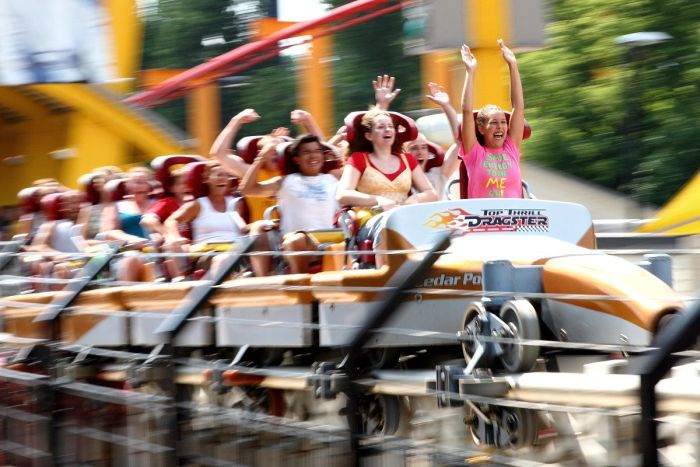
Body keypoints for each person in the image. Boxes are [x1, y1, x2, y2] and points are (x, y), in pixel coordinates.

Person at [336, 107, 437, 266]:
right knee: (388, 226)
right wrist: (378, 200)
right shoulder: (359, 159)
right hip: (372, 219)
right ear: (369, 135)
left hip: (404, 215)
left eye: (390, 126)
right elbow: (342, 195)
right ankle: (384, 276)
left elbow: (431, 193)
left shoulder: (408, 160)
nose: (387, 129)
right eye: (381, 127)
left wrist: (415, 199)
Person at [241, 134, 340, 275]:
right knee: (296, 240)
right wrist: (261, 157)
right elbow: (247, 190)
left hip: (329, 241)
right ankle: (301, 290)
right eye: (306, 152)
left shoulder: (332, 178)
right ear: (296, 159)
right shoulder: (286, 181)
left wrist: (335, 150)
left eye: (317, 151)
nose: (313, 156)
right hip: (296, 242)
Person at [460, 40, 525, 198]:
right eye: (494, 123)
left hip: (513, 221)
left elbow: (519, 106)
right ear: (481, 128)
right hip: (484, 221)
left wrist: (513, 66)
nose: (500, 127)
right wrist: (470, 71)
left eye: (503, 122)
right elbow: (467, 111)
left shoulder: (511, 148)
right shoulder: (475, 153)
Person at [164, 162, 249, 276]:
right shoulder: (197, 205)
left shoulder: (236, 203)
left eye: (226, 176)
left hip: (238, 253)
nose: (223, 179)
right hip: (208, 255)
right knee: (222, 260)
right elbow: (171, 221)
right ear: (207, 179)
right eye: (219, 175)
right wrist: (174, 237)